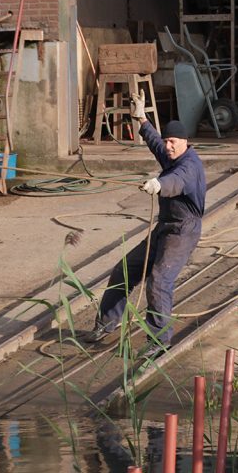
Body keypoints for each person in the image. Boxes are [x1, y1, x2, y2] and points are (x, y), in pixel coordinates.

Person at [84, 91, 206, 358]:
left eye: (173, 142)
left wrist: (159, 184)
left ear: (186, 142)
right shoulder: (172, 156)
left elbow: (175, 182)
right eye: (167, 141)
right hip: (164, 227)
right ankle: (105, 324)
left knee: (159, 281)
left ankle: (159, 341)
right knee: (124, 270)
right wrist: (141, 119)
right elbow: (154, 143)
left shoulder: (190, 166)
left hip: (183, 231)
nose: (168, 146)